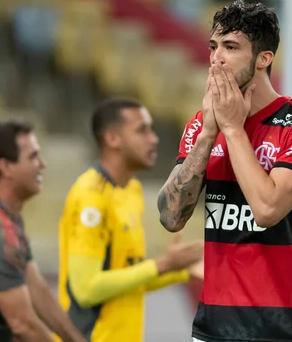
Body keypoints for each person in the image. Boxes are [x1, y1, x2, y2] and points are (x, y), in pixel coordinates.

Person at [157, 0, 292, 342]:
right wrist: (211, 131)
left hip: (284, 328)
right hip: (213, 328)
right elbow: (170, 217)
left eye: (231, 47)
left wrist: (234, 130)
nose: (216, 58)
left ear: (263, 59)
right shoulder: (201, 126)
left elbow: (267, 210)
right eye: (213, 46)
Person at [58, 98, 204, 342]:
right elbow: (85, 290)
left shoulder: (131, 190)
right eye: (142, 130)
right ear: (113, 138)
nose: (154, 139)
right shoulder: (91, 196)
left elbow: (128, 277)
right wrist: (162, 265)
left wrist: (181, 269)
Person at [0, 120, 86, 342]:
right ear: (6, 167)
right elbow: (23, 325)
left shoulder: (4, 217)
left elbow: (38, 290)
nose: (43, 164)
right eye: (33, 157)